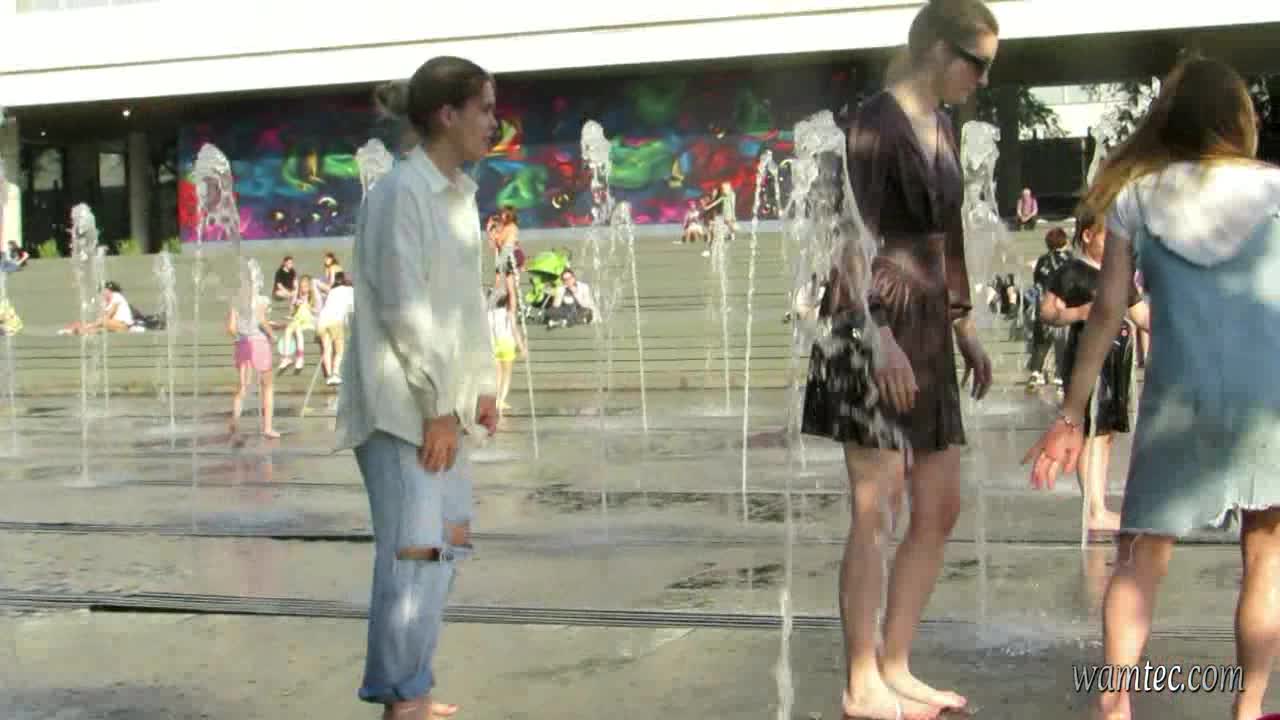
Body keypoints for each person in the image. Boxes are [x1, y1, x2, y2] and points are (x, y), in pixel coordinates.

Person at [1024, 56, 1280, 720]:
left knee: (1138, 560)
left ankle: (1115, 705)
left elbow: (1107, 313)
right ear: (1240, 119)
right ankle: (1248, 708)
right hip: (1267, 400)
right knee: (1266, 557)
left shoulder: (1137, 197)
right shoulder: (1276, 189)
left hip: (1177, 401)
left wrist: (1070, 414)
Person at [801, 2, 997, 718]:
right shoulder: (869, 126)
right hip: (870, 321)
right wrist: (877, 336)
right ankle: (861, 681)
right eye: (977, 64)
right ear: (938, 50)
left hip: (928, 323)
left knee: (938, 506)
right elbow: (845, 239)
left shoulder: (941, 126)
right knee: (875, 504)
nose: (982, 80)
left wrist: (962, 322)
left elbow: (948, 235)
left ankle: (896, 663)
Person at [335, 56, 500, 720]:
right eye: (484, 108)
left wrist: (481, 387)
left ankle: (414, 684)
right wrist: (437, 406)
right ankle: (401, 697)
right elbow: (404, 307)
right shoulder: (401, 193)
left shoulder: (459, 196)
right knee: (414, 554)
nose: (494, 122)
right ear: (447, 114)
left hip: (445, 413)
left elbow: (463, 306)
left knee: (447, 546)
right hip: (404, 412)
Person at [1037, 212, 1149, 533]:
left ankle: (1099, 505)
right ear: (1087, 236)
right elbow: (1047, 311)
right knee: (1090, 433)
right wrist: (1078, 313)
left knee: (1106, 433)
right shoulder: (1071, 271)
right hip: (1087, 362)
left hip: (1117, 363)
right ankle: (1094, 508)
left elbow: (1141, 315)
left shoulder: (1119, 274)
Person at [226, 270, 280, 439]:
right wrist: (273, 334)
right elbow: (261, 320)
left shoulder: (236, 302)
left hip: (242, 344)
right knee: (267, 386)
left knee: (243, 385)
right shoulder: (261, 300)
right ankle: (268, 428)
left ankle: (235, 419)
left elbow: (231, 328)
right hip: (259, 344)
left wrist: (242, 336)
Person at [1026, 227, 1073, 386]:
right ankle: (1060, 376)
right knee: (1063, 343)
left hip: (1044, 303)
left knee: (1042, 341)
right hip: (1063, 305)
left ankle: (1036, 373)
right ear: (1064, 241)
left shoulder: (1043, 260)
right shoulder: (1069, 259)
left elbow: (1037, 281)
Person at [488, 291, 527, 416]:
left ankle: (495, 400)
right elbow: (514, 331)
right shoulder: (509, 313)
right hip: (507, 344)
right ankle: (501, 400)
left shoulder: (490, 313)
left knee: (498, 374)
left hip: (493, 344)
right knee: (507, 375)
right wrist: (522, 347)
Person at [317, 271, 354, 385]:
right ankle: (335, 373)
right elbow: (351, 309)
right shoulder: (350, 290)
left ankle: (328, 376)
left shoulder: (333, 291)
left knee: (326, 350)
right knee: (339, 351)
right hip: (336, 321)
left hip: (322, 321)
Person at [60, 281, 134, 335]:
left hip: (123, 325)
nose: (101, 293)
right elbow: (103, 318)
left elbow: (108, 316)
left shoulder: (117, 296)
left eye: (102, 291)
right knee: (94, 328)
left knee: (99, 323)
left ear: (108, 290)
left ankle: (80, 329)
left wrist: (89, 325)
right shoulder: (106, 302)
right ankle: (75, 331)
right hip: (113, 325)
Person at [278, 275, 318, 372]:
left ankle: (300, 357)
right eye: (301, 287)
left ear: (309, 287)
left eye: (305, 287)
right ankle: (286, 357)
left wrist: (308, 306)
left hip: (308, 321)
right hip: (297, 320)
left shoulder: (312, 297)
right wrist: (295, 305)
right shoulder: (297, 297)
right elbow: (292, 313)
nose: (303, 289)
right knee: (288, 330)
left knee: (298, 330)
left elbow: (316, 311)